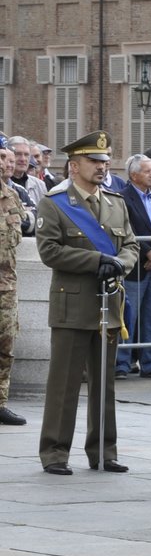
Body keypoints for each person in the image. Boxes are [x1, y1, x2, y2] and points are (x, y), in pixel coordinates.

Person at [35, 131, 140, 475]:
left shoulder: (115, 202)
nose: (102, 166)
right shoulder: (55, 202)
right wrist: (96, 261)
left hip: (109, 305)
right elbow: (49, 251)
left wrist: (120, 263)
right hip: (73, 305)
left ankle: (104, 451)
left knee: (104, 383)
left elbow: (132, 246)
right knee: (64, 384)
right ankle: (54, 452)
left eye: (105, 161)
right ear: (74, 165)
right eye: (95, 161)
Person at [117, 154, 151, 378]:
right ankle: (121, 363)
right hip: (134, 270)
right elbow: (126, 230)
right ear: (133, 175)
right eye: (148, 171)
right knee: (128, 316)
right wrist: (147, 252)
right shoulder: (121, 198)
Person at [0, 144, 26, 425]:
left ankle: (0, 402)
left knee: (6, 347)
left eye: (6, 158)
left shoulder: (11, 195)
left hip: (6, 286)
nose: (6, 163)